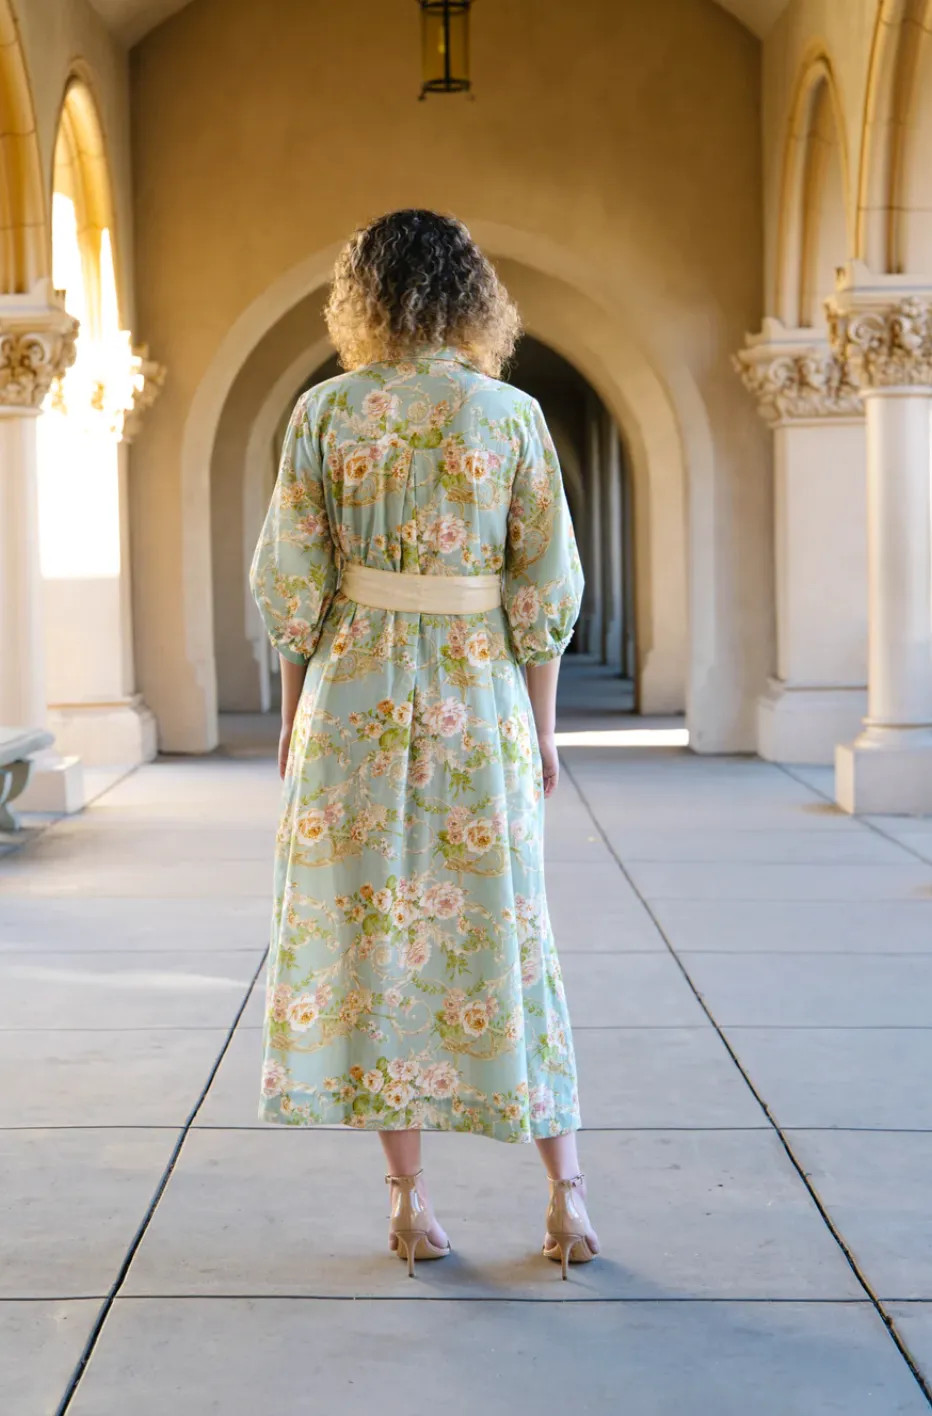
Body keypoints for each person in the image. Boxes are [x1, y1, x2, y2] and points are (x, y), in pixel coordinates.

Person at [250, 209, 599, 1278]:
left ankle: (410, 1206)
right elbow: (543, 591)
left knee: (374, 948)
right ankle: (565, 1198)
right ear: (470, 298)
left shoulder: (324, 412)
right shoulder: (510, 416)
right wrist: (540, 732)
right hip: (475, 696)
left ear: (360, 298)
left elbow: (291, 587)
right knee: (509, 934)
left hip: (351, 698)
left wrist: (291, 711)